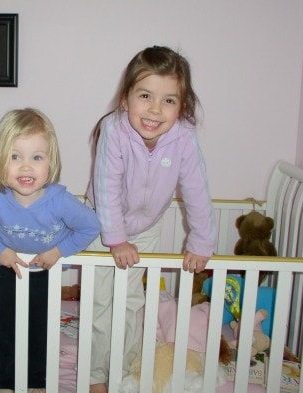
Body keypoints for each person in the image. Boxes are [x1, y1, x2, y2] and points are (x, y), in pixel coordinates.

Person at [87, 46, 216, 393]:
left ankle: (123, 366)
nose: (155, 110)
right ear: (126, 98)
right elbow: (107, 187)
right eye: (145, 96)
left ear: (182, 106)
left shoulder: (184, 139)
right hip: (102, 225)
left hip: (145, 228)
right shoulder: (113, 130)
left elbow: (197, 192)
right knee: (102, 302)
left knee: (131, 302)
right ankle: (96, 375)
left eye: (169, 100)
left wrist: (201, 242)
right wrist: (115, 238)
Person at [0, 108, 101, 393]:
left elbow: (90, 226)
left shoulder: (60, 201)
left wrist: (59, 251)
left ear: (50, 163)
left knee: (40, 331)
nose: (26, 167)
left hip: (44, 272)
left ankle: (37, 381)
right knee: (6, 330)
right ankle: (6, 381)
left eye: (36, 157)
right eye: (15, 157)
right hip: (6, 270)